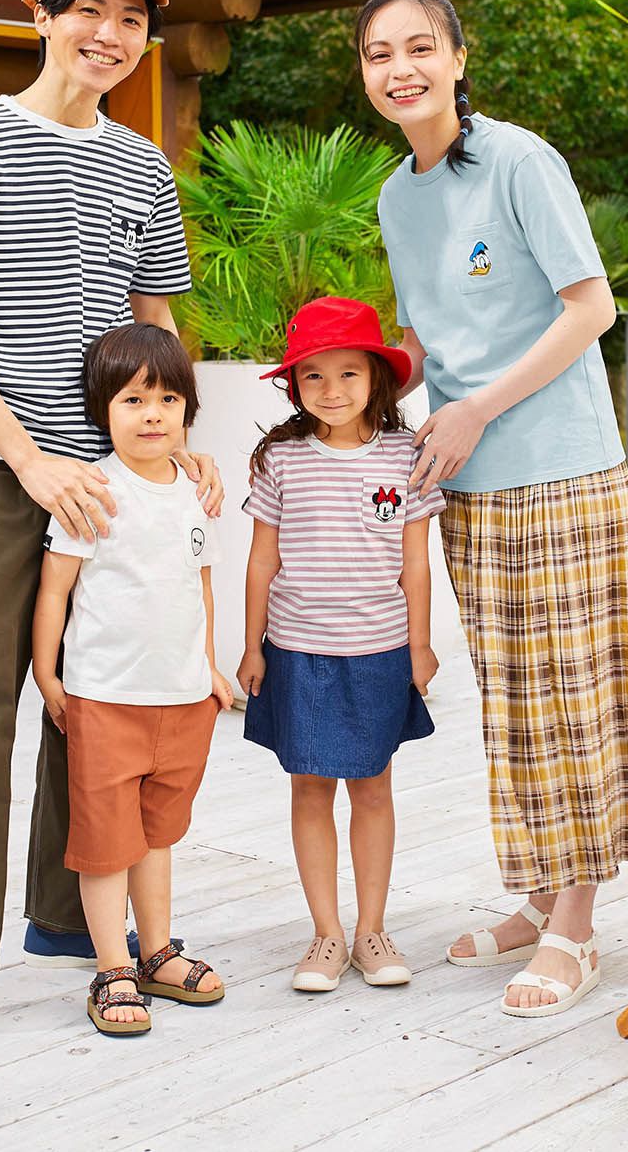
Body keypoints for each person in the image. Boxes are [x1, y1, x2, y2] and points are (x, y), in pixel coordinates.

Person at [0, 0, 221, 1074]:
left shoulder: (142, 167)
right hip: (3, 471)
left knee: (101, 703)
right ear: (41, 13)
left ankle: (75, 922)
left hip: (117, 482)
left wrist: (181, 445)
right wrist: (28, 462)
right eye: (90, 11)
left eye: (132, 20)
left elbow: (154, 323)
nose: (109, 35)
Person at [359, 0, 628, 1019]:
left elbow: (590, 309)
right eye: (379, 54)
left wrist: (474, 411)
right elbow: (424, 340)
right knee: (515, 699)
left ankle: (575, 928)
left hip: (559, 466)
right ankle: (544, 892)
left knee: (573, 697)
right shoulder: (396, 197)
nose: (401, 69)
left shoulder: (519, 160)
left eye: (421, 46)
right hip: (467, 478)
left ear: (458, 57)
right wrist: (363, 418)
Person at [31, 323, 233, 1037]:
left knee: (156, 836)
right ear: (104, 410)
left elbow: (199, 587)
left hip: (181, 698)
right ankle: (112, 966)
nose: (153, 415)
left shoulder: (195, 493)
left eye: (168, 399)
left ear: (187, 410)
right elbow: (55, 589)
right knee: (106, 842)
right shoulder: (94, 491)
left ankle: (157, 952)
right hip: (105, 698)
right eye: (134, 400)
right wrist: (47, 673)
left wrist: (208, 666)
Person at [237, 296, 442, 993]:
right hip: (297, 650)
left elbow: (415, 563)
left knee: (374, 787)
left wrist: (420, 646)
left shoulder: (406, 455)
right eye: (314, 376)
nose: (331, 390)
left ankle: (371, 931)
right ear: (294, 385)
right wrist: (252, 646)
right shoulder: (280, 459)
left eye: (348, 373)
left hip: (380, 650)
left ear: (377, 377)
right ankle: (325, 934)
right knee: (309, 787)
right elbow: (261, 560)